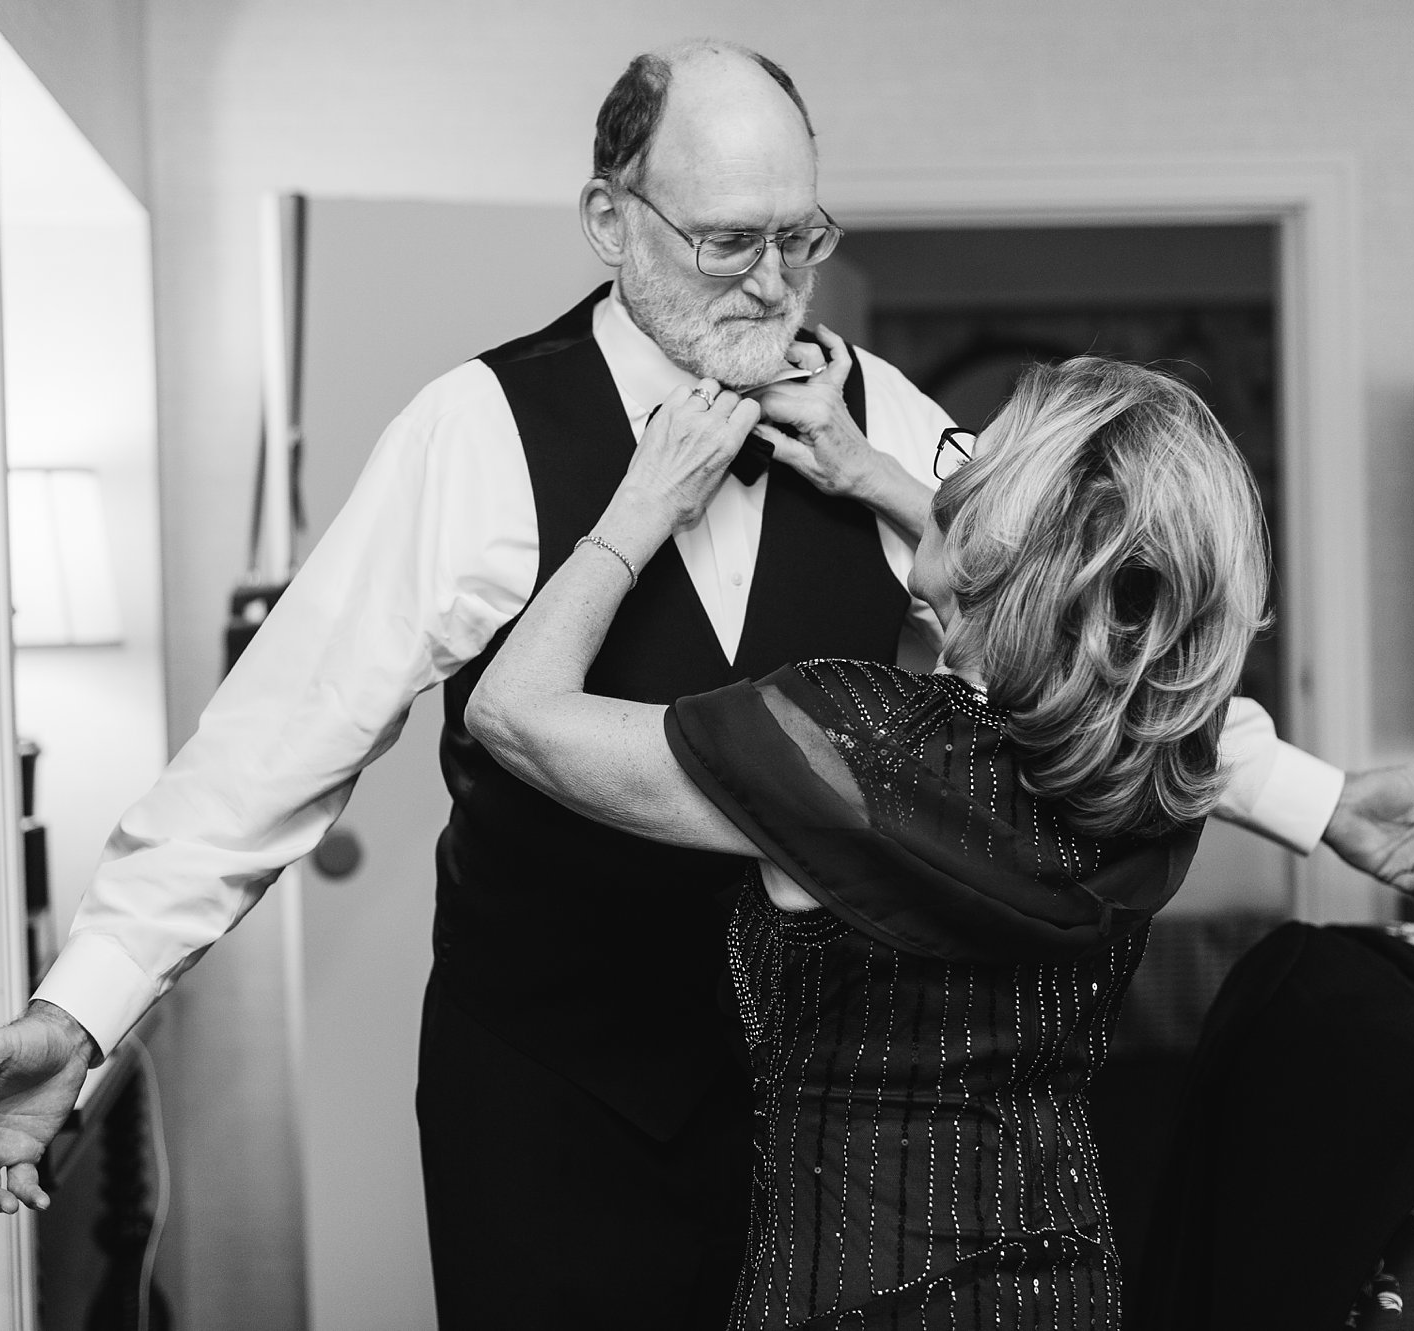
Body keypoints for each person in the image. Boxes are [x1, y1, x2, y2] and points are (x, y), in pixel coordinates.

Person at [0, 38, 1414, 1330]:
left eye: (800, 237)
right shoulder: (475, 433)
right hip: (551, 1091)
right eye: (725, 240)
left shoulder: (880, 416)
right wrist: (87, 1004)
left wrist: (1319, 798)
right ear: (611, 220)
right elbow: (270, 750)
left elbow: (1085, 653)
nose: (770, 284)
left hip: (815, 1123)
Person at [463, 354, 1276, 1327]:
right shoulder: (1164, 765)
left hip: (853, 1297)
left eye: (978, 472)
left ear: (992, 536)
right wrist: (862, 470)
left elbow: (512, 712)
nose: (950, 477)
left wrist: (636, 513)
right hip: (1061, 1286)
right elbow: (1047, 598)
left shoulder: (856, 740)